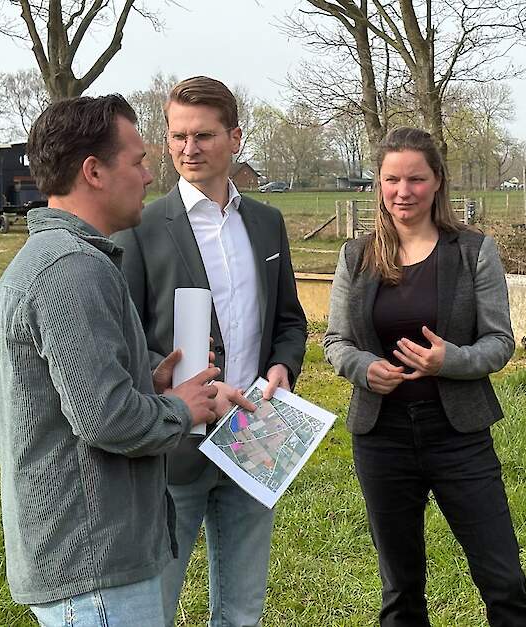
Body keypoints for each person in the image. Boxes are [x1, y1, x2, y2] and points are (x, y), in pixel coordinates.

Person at [0, 95, 249, 626]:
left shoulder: (66, 259)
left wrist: (148, 384)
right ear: (94, 172)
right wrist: (181, 408)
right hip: (93, 569)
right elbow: (106, 419)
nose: (150, 175)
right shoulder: (69, 269)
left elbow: (83, 392)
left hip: (94, 563)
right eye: (137, 162)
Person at [323, 127, 526, 627]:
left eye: (416, 179)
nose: (404, 191)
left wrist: (450, 361)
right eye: (392, 179)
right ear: (377, 184)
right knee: (400, 587)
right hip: (382, 438)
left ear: (437, 181)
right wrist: (363, 368)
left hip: (457, 434)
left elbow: (499, 342)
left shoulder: (472, 251)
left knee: (502, 580)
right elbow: (335, 342)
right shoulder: (355, 257)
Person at [113, 76, 307, 627]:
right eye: (176, 137)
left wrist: (282, 367)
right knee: (156, 610)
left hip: (254, 436)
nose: (187, 150)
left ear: (236, 138)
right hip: (175, 444)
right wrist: (177, 387)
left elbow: (290, 320)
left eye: (202, 135)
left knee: (243, 612)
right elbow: (124, 341)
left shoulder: (267, 224)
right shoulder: (142, 228)